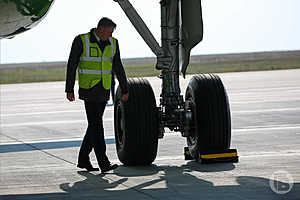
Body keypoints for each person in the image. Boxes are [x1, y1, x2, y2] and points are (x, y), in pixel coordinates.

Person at [65, 17, 129, 173]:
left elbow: (118, 66)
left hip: (104, 89)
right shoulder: (81, 40)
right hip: (89, 89)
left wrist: (125, 89)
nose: (111, 36)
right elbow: (72, 64)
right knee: (97, 125)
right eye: (109, 32)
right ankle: (103, 162)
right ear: (100, 29)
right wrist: (69, 88)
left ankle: (83, 159)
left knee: (94, 124)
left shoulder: (113, 43)